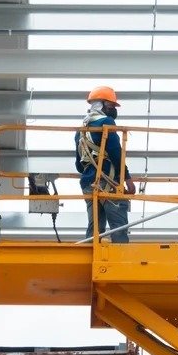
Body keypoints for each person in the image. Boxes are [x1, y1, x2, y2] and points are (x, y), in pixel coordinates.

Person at [75, 85, 135, 243]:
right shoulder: (107, 123)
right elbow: (116, 152)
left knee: (94, 229)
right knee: (119, 228)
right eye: (111, 106)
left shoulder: (80, 130)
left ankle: (89, 257)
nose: (113, 109)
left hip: (88, 183)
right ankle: (120, 263)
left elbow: (79, 164)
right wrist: (127, 179)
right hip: (109, 183)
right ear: (101, 105)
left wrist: (92, 169)